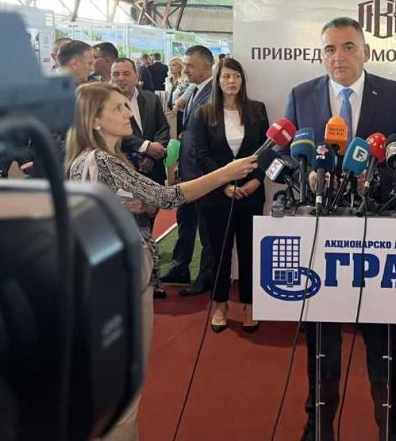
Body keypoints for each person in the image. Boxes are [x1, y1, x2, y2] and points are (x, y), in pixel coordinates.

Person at [64, 82, 256, 441]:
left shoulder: (92, 160)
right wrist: (225, 174)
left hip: (110, 276)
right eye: (118, 108)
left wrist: (145, 207)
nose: (128, 113)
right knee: (124, 387)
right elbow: (168, 196)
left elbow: (144, 203)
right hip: (121, 276)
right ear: (94, 120)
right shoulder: (102, 160)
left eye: (126, 106)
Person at [284, 17, 396, 441]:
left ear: (366, 51)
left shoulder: (394, 94)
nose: (338, 56)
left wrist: (375, 179)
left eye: (347, 47)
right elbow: (288, 157)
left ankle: (391, 428)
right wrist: (306, 176)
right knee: (322, 345)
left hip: (379, 235)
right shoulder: (301, 94)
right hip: (321, 238)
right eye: (329, 48)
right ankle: (317, 426)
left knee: (383, 344)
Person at [190, 58, 268, 333]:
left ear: (242, 80)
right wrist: (223, 184)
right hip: (216, 195)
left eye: (236, 76)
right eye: (226, 77)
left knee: (249, 251)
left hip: (251, 193)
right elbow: (200, 155)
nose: (231, 82)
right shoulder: (203, 114)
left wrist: (257, 180)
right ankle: (220, 304)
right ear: (218, 80)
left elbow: (266, 151)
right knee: (219, 251)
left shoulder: (257, 110)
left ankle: (249, 304)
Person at [161, 46, 216, 289]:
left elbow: (212, 140)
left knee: (206, 229)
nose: (185, 70)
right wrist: (180, 166)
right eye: (184, 65)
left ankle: (206, 277)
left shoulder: (215, 94)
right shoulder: (194, 90)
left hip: (203, 175)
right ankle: (179, 268)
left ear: (207, 66)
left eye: (190, 65)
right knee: (185, 222)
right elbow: (188, 134)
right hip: (187, 172)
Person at [111, 58, 169, 183]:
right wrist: (146, 147)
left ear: (136, 76)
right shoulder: (106, 104)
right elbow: (114, 133)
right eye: (116, 74)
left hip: (154, 171)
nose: (121, 78)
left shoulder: (152, 98)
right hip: (124, 172)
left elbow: (163, 128)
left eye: (126, 73)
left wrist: (153, 156)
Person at [164, 56, 192, 137]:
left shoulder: (185, 81)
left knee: (178, 133)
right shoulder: (168, 80)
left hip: (180, 111)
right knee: (170, 134)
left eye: (174, 65)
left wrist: (178, 106)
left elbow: (187, 97)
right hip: (169, 110)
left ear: (180, 67)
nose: (171, 67)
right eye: (170, 65)